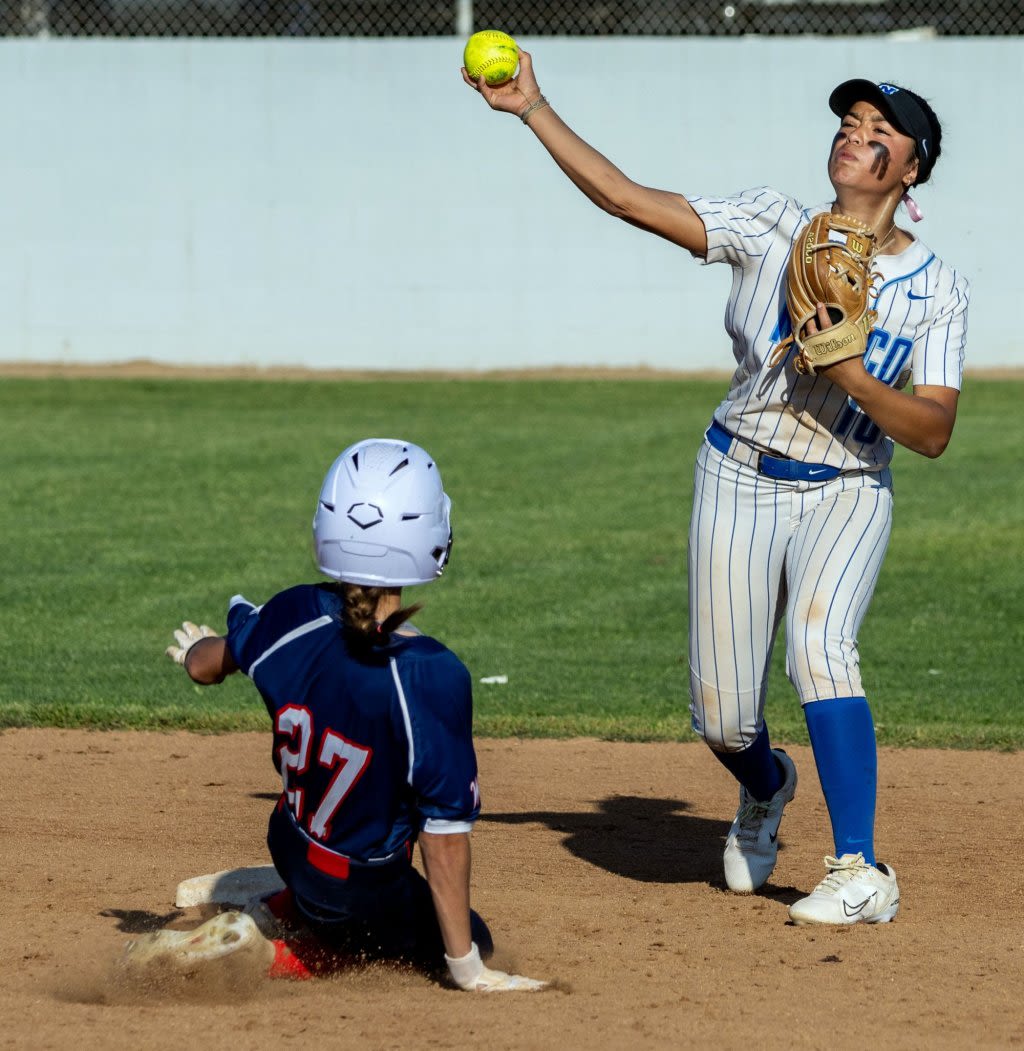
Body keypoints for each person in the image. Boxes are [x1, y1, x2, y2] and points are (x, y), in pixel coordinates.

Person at [463, 55, 967, 924]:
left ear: (913, 166)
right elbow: (628, 198)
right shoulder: (772, 223)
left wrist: (847, 373)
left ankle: (860, 868)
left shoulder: (937, 290)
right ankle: (768, 785)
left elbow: (931, 432)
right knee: (723, 719)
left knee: (820, 649)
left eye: (880, 131)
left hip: (848, 487)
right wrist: (532, 107)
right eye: (849, 122)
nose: (856, 133)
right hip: (738, 471)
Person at [154, 438, 546, 990]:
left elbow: (205, 665)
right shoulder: (430, 673)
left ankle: (292, 907)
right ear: (431, 537)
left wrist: (202, 649)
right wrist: (467, 967)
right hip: (358, 889)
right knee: (467, 935)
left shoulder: (291, 613)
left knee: (350, 826)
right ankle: (283, 955)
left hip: (289, 844)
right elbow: (443, 835)